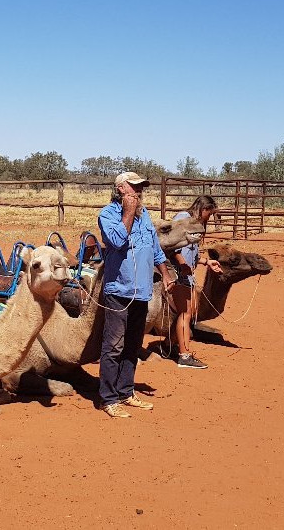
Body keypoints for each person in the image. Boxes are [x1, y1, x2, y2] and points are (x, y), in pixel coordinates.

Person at [96, 171, 176, 419]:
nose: (139, 192)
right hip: (119, 290)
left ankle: (126, 391)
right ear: (121, 189)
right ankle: (108, 399)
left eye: (141, 188)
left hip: (141, 291)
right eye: (134, 187)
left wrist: (165, 273)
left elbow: (154, 247)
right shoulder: (107, 215)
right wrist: (128, 212)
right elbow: (117, 241)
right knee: (114, 346)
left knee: (132, 345)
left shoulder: (145, 216)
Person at [168, 195, 222, 369]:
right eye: (209, 213)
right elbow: (170, 245)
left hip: (186, 275)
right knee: (185, 313)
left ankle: (168, 346)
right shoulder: (183, 218)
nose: (209, 218)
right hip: (177, 274)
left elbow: (192, 253)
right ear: (203, 208)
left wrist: (206, 262)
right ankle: (184, 356)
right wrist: (183, 264)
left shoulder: (195, 224)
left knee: (188, 312)